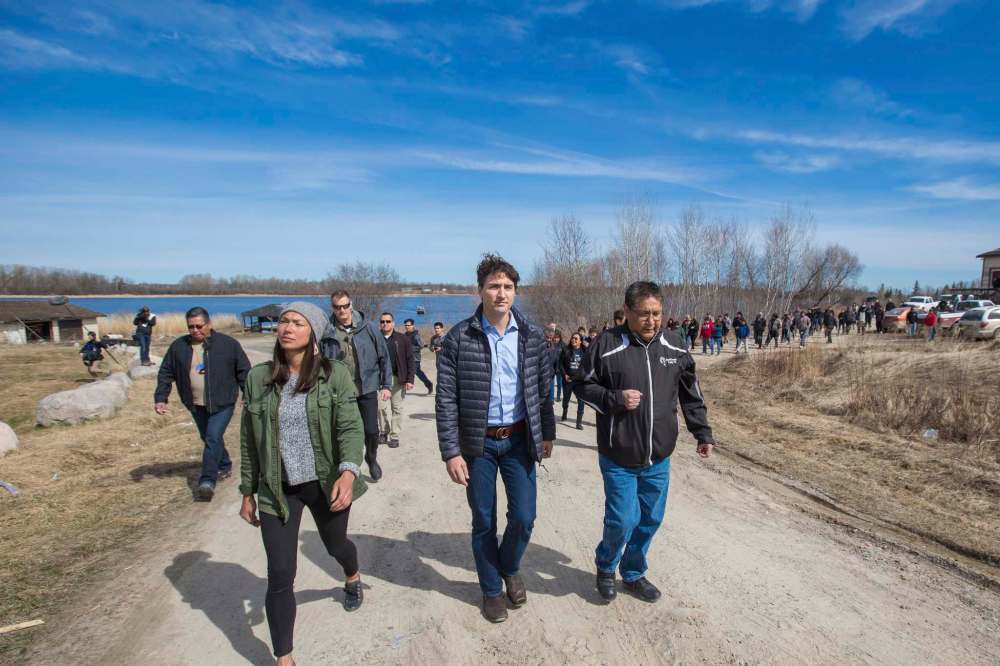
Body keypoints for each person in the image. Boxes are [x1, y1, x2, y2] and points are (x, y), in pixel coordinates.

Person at [238, 302, 367, 664]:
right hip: (277, 488)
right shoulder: (259, 378)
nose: (287, 327)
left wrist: (347, 472)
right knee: (280, 573)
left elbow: (350, 427)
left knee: (336, 544)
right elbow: (248, 439)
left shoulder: (334, 374)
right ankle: (284, 657)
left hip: (324, 483)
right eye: (284, 321)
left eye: (297, 322)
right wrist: (247, 491)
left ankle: (351, 574)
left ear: (314, 332)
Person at [577, 281, 715, 603]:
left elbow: (691, 394)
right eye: (644, 314)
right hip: (619, 456)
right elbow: (582, 386)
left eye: (657, 313)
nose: (651, 321)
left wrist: (702, 432)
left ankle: (633, 572)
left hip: (658, 457)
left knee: (650, 519)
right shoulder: (607, 344)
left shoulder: (675, 345)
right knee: (623, 520)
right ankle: (606, 566)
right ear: (627, 311)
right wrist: (614, 399)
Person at [435, 254, 555, 623]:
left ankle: (509, 566)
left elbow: (543, 390)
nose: (501, 293)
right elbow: (446, 399)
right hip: (479, 445)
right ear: (480, 290)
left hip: (519, 439)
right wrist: (451, 452)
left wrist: (547, 433)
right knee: (484, 520)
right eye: (493, 286)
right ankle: (491, 590)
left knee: (524, 516)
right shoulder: (459, 338)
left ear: (515, 291)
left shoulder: (532, 335)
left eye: (507, 287)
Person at [155, 307, 251, 501]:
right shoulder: (179, 347)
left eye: (199, 326)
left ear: (209, 324)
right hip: (195, 403)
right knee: (208, 437)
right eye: (191, 327)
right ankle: (224, 464)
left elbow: (244, 370)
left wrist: (249, 394)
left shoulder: (228, 344)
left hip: (223, 403)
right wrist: (161, 398)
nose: (195, 330)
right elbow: (166, 372)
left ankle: (207, 481)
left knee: (212, 437)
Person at [320, 291, 392, 482]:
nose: (342, 310)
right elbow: (320, 361)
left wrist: (386, 385)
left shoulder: (368, 328)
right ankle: (346, 468)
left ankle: (371, 458)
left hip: (366, 387)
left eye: (345, 306)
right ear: (333, 308)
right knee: (342, 432)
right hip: (341, 392)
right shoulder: (328, 331)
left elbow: (384, 356)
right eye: (337, 307)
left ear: (351, 305)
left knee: (371, 430)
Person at [378, 313, 414, 449]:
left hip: (398, 378)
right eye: (382, 321)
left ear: (393, 323)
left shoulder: (402, 339)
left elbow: (410, 359)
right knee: (380, 407)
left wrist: (410, 379)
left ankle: (394, 435)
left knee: (397, 408)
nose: (385, 324)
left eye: (388, 321)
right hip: (381, 379)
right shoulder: (376, 338)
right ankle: (384, 431)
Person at [560, 332, 587, 429]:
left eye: (576, 338)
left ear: (580, 341)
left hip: (579, 381)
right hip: (568, 380)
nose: (573, 340)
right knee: (565, 400)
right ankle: (565, 411)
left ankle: (578, 422)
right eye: (572, 338)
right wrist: (564, 375)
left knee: (581, 401)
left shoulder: (585, 351)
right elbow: (560, 364)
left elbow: (588, 365)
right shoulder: (565, 350)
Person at [403, 318, 434, 394]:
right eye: (406, 325)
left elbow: (421, 345)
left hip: (415, 359)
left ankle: (428, 384)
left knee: (414, 373)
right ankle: (403, 389)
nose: (407, 327)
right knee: (415, 373)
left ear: (412, 325)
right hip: (406, 358)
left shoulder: (416, 335)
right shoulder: (405, 335)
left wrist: (410, 348)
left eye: (408, 325)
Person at [548, 329, 566, 404]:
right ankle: (551, 399)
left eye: (557, 338)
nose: (556, 339)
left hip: (560, 367)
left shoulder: (563, 345)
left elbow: (566, 356)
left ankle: (558, 397)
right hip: (552, 367)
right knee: (551, 384)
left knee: (559, 383)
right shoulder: (550, 344)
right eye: (555, 337)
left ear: (560, 338)